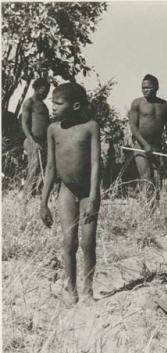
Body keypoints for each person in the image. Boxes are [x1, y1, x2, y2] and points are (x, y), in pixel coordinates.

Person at [39, 82, 101, 306]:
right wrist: (43, 202)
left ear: (75, 106)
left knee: (88, 243)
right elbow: (50, 167)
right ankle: (71, 290)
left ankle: (88, 290)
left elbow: (96, 164)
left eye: (58, 102)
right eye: (52, 102)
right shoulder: (53, 129)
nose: (53, 106)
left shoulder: (91, 127)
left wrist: (93, 197)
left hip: (87, 193)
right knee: (68, 242)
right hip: (66, 191)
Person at [128, 74, 167, 207]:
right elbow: (133, 127)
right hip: (140, 146)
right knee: (146, 178)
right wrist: (145, 144)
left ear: (156, 87)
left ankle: (155, 209)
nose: (145, 90)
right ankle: (147, 212)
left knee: (157, 179)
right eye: (143, 88)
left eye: (148, 87)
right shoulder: (137, 103)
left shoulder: (163, 104)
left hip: (156, 147)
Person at [21, 78, 50, 197]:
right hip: (32, 141)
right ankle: (26, 197)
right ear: (36, 88)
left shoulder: (43, 105)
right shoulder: (29, 102)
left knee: (41, 169)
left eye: (48, 91)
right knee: (33, 168)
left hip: (43, 142)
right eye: (44, 90)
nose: (46, 93)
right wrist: (33, 142)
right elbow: (24, 124)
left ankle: (36, 194)